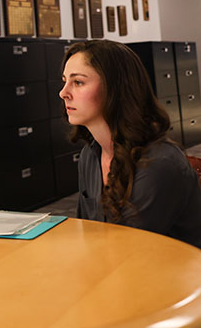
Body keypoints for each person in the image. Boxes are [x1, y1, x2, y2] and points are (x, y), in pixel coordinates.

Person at [59, 40, 201, 248]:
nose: (63, 93)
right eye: (64, 81)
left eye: (78, 82)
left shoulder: (158, 164)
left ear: (115, 88)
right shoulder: (90, 156)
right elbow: (87, 232)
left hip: (165, 274)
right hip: (117, 268)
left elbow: (127, 250)